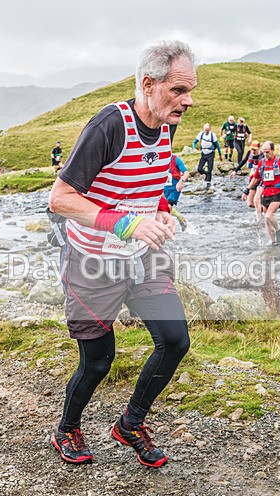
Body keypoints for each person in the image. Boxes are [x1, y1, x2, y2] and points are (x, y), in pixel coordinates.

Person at [47, 40, 195, 468]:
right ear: (148, 84)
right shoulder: (109, 126)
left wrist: (164, 213)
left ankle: (130, 424)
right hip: (92, 261)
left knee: (174, 340)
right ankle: (68, 429)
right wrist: (126, 223)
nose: (188, 100)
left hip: (142, 257)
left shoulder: (168, 122)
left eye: (191, 90)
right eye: (179, 90)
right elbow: (61, 198)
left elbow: (148, 187)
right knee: (98, 361)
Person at [247, 141, 280, 245]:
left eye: (268, 152)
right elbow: (256, 178)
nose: (266, 154)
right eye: (264, 152)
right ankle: (273, 242)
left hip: (277, 192)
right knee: (267, 221)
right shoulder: (262, 162)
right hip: (265, 193)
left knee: (268, 215)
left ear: (272, 150)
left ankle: (278, 231)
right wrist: (247, 190)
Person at [230, 140, 263, 209]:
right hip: (252, 179)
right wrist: (235, 171)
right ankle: (261, 210)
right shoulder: (249, 153)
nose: (253, 151)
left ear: (259, 149)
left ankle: (263, 213)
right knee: (250, 204)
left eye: (255, 150)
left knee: (257, 200)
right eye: (252, 149)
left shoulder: (263, 156)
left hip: (261, 181)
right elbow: (243, 161)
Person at [163, 154, 190, 231]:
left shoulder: (176, 159)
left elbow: (186, 173)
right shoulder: (159, 160)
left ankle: (168, 232)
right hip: (163, 190)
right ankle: (180, 218)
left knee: (167, 209)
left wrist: (181, 182)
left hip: (175, 189)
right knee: (162, 209)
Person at [193, 123, 223, 190]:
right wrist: (194, 148)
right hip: (203, 154)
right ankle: (206, 174)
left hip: (211, 154)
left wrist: (220, 155)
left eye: (207, 130)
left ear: (210, 129)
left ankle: (208, 183)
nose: (206, 132)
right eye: (205, 130)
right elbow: (194, 142)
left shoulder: (212, 135)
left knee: (210, 169)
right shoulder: (201, 134)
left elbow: (217, 146)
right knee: (199, 169)